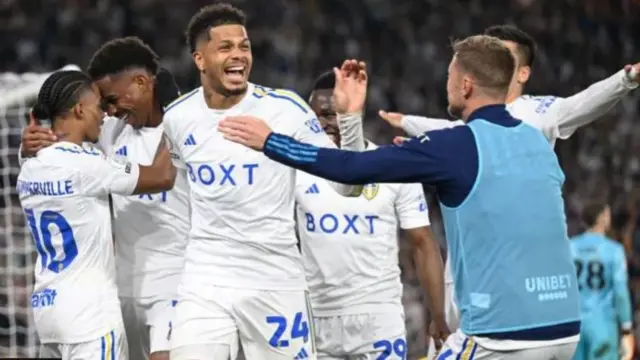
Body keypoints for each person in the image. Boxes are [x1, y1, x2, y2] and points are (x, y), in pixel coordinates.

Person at [219, 34, 582, 359]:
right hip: (565, 327)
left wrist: (271, 142)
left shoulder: (455, 144)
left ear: (467, 85)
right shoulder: (536, 140)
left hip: (500, 336)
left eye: (449, 77)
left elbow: (349, 172)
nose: (448, 86)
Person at [376, 24, 640, 356]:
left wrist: (625, 79)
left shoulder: (541, 112)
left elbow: (584, 104)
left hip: (514, 281)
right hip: (468, 264)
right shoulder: (474, 119)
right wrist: (410, 124)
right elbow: (450, 131)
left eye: (504, 53)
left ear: (524, 72)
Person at [162, 4, 364, 359]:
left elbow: (348, 186)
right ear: (200, 59)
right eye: (225, 48)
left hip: (275, 282)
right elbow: (179, 191)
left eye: (245, 46)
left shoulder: (285, 109)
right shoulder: (178, 118)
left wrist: (350, 120)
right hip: (205, 282)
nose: (239, 55)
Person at [20, 37, 188, 360]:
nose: (109, 111)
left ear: (141, 82)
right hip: (117, 293)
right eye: (103, 105)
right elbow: (66, 150)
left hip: (171, 284)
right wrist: (28, 145)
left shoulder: (188, 125)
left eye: (111, 99)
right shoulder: (110, 133)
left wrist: (176, 114)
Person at [302, 70, 447, 359]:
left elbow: (423, 242)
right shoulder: (297, 170)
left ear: (352, 110)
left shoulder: (393, 168)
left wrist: (438, 314)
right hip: (315, 315)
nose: (324, 124)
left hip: (378, 316)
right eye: (317, 116)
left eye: (332, 114)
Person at [570, 201, 634, 360]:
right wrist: (626, 327)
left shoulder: (569, 247)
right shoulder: (614, 250)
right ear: (603, 218)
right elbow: (620, 292)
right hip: (603, 324)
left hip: (573, 326)